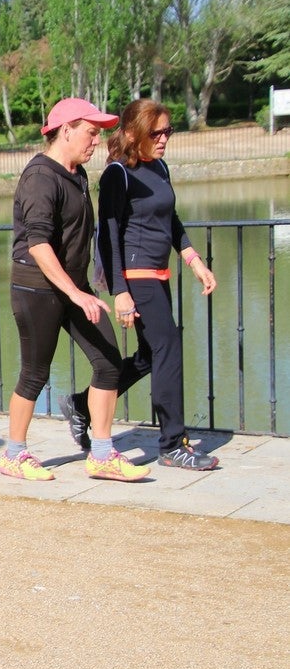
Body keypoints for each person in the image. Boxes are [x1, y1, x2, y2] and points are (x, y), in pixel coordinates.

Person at [61, 99, 220, 471]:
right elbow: (108, 236)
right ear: (133, 134)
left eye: (168, 131)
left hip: (160, 275)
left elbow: (171, 220)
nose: (164, 138)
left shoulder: (160, 167)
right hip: (136, 277)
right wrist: (120, 292)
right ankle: (172, 444)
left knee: (151, 354)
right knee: (169, 347)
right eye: (156, 132)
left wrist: (194, 261)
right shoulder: (119, 174)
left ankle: (82, 404)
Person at [2, 97, 149, 483]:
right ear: (65, 131)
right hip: (37, 288)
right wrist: (77, 293)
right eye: (90, 133)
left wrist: (91, 286)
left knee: (108, 363)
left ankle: (101, 453)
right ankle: (14, 454)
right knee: (34, 373)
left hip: (73, 287)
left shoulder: (77, 174)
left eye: (98, 134)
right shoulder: (40, 177)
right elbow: (38, 243)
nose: (96, 141)